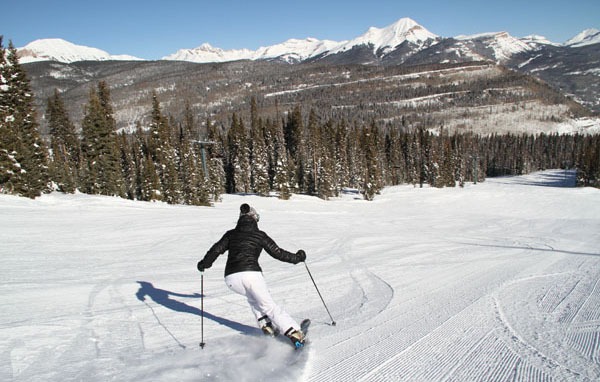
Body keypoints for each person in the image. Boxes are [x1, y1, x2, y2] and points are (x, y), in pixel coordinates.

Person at [197, 203, 307, 346]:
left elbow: (215, 250)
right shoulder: (259, 235)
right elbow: (278, 253)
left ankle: (267, 326)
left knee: (254, 299)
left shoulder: (230, 234)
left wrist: (204, 264)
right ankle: (295, 334)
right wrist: (297, 258)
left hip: (231, 279)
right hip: (251, 274)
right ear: (254, 219)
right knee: (269, 306)